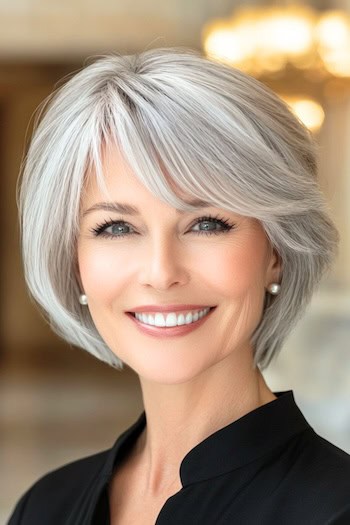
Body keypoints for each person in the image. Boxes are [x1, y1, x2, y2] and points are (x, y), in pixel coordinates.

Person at [7, 47, 350, 525]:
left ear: (276, 253)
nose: (161, 271)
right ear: (74, 260)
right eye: (116, 227)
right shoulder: (45, 508)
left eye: (207, 223)